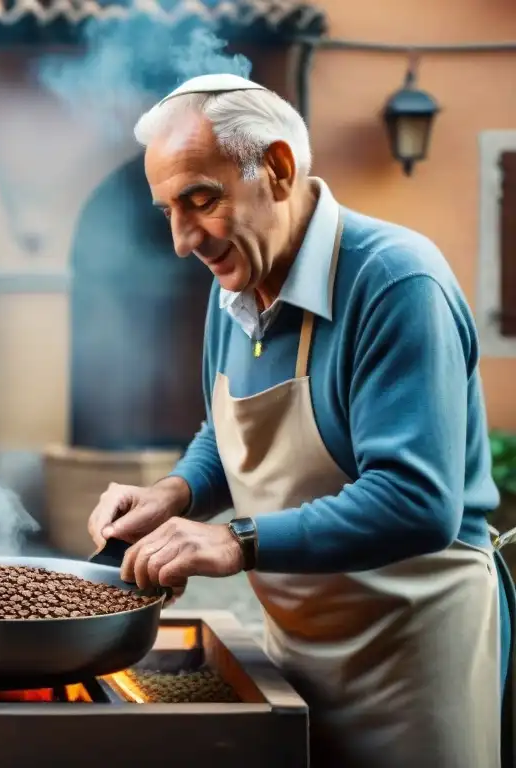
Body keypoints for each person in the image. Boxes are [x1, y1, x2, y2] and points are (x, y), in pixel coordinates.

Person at [86, 73, 515, 768]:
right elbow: (228, 436)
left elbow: (417, 500)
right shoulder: (234, 285)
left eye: (200, 201)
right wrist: (174, 494)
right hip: (297, 651)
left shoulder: (397, 282)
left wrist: (233, 543)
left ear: (278, 170)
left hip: (413, 653)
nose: (181, 239)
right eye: (167, 210)